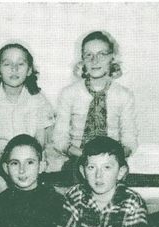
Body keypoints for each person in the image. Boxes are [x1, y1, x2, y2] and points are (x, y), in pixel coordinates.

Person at [48, 31, 138, 175]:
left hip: (112, 159)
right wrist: (83, 155)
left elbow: (130, 140)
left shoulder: (124, 95)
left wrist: (112, 157)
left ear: (112, 58)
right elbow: (59, 139)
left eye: (102, 54)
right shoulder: (69, 93)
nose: (94, 60)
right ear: (82, 60)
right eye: (88, 55)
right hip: (77, 158)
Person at [0, 43, 54, 191]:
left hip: (28, 157)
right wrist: (1, 158)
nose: (14, 69)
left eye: (20, 63)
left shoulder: (38, 100)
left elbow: (40, 141)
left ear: (29, 70)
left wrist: (27, 159)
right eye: (7, 64)